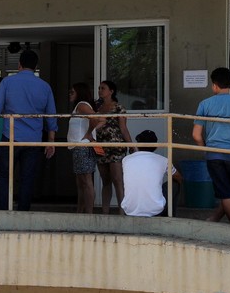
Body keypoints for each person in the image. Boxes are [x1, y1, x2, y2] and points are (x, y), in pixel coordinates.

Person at [0, 49, 58, 211]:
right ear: (36, 66)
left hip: (10, 137)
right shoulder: (45, 87)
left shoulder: (8, 83)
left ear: (19, 65)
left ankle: (4, 210)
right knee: (27, 178)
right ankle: (23, 211)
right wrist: (51, 142)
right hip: (33, 140)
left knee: (4, 176)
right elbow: (51, 116)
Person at [192, 66, 230, 225]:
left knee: (225, 192)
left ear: (214, 85)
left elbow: (196, 135)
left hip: (214, 154)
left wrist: (204, 149)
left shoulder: (204, 104)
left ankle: (217, 218)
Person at [120, 129, 183, 217]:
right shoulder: (163, 160)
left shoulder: (126, 160)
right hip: (155, 211)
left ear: (137, 144)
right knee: (175, 184)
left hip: (129, 211)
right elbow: (179, 177)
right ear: (156, 146)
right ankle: (169, 217)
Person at [94, 80, 133, 215]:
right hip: (100, 146)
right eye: (99, 88)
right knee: (105, 180)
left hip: (116, 146)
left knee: (117, 179)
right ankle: (105, 212)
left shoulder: (118, 108)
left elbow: (123, 128)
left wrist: (131, 145)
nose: (100, 90)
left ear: (111, 91)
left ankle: (122, 212)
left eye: (103, 88)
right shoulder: (96, 108)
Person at [67, 82, 99, 214]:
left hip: (83, 146)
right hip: (77, 146)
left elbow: (96, 118)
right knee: (81, 182)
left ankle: (89, 213)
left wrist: (89, 133)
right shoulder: (79, 107)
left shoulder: (82, 105)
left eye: (72, 92)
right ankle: (81, 211)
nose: (70, 94)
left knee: (86, 180)